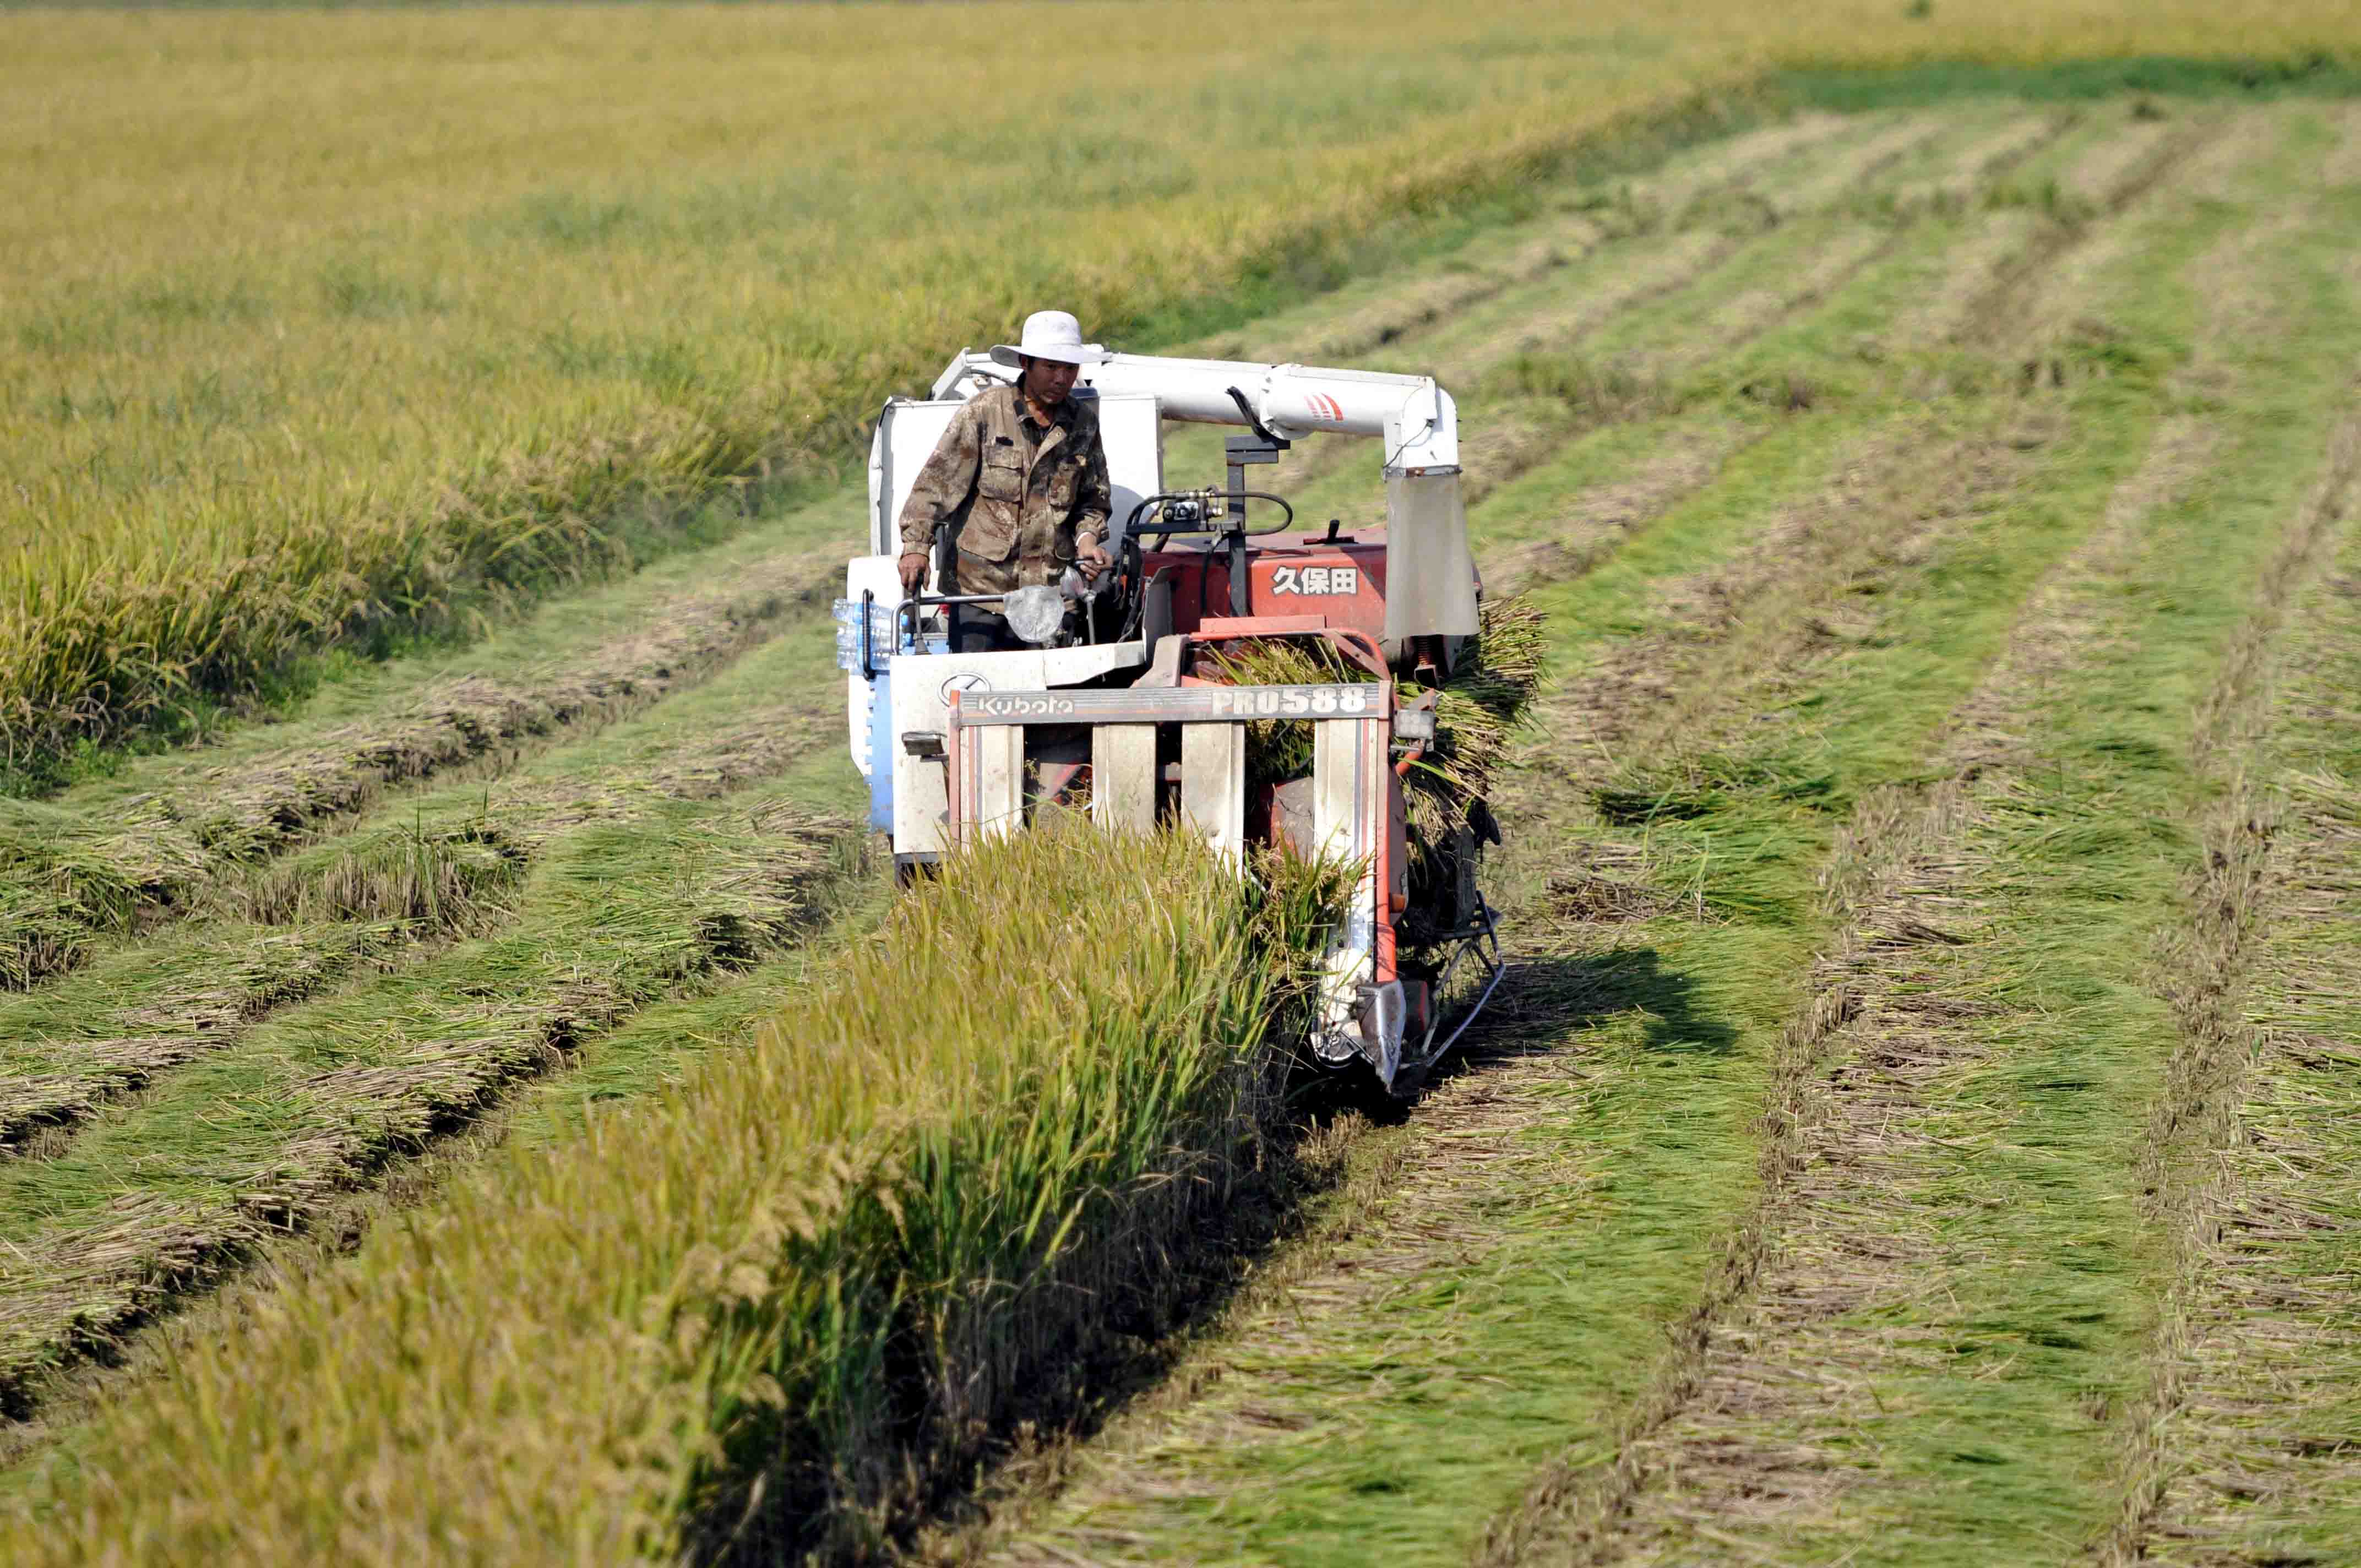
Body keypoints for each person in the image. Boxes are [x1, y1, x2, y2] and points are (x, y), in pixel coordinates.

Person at [897, 310, 1116, 651]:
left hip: (1048, 598)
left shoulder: (1083, 426)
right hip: (981, 597)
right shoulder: (984, 413)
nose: (1062, 378)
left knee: (1044, 701)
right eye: (1051, 367)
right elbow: (934, 489)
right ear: (1026, 364)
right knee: (977, 696)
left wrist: (1088, 541)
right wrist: (916, 549)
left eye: (1070, 369)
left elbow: (1094, 502)